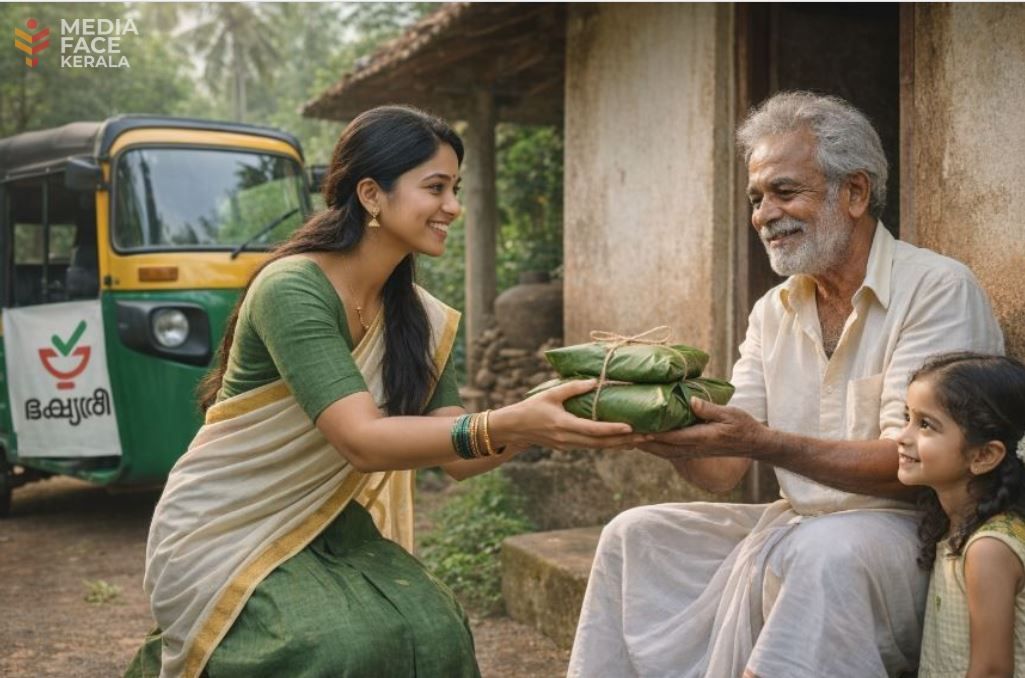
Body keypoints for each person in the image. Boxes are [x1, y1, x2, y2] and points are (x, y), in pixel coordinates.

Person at [125, 105, 644, 678]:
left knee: (437, 631)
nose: (452, 206)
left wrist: (561, 417)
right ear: (372, 194)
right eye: (435, 187)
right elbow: (363, 441)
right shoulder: (293, 288)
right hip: (226, 526)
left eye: (455, 188)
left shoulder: (416, 317)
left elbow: (457, 459)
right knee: (339, 647)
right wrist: (513, 421)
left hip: (327, 520)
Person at [568, 91, 1005, 677]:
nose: (764, 215)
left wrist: (764, 442)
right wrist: (645, 425)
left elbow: (915, 465)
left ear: (854, 192)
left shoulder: (936, 288)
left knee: (826, 552)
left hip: (911, 535)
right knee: (637, 534)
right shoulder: (773, 309)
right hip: (796, 526)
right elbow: (724, 468)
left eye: (784, 191)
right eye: (756, 198)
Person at [897, 352, 1025, 677]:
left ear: (983, 455)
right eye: (906, 417)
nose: (902, 436)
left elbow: (992, 671)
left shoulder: (988, 549)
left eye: (925, 424)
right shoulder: (953, 526)